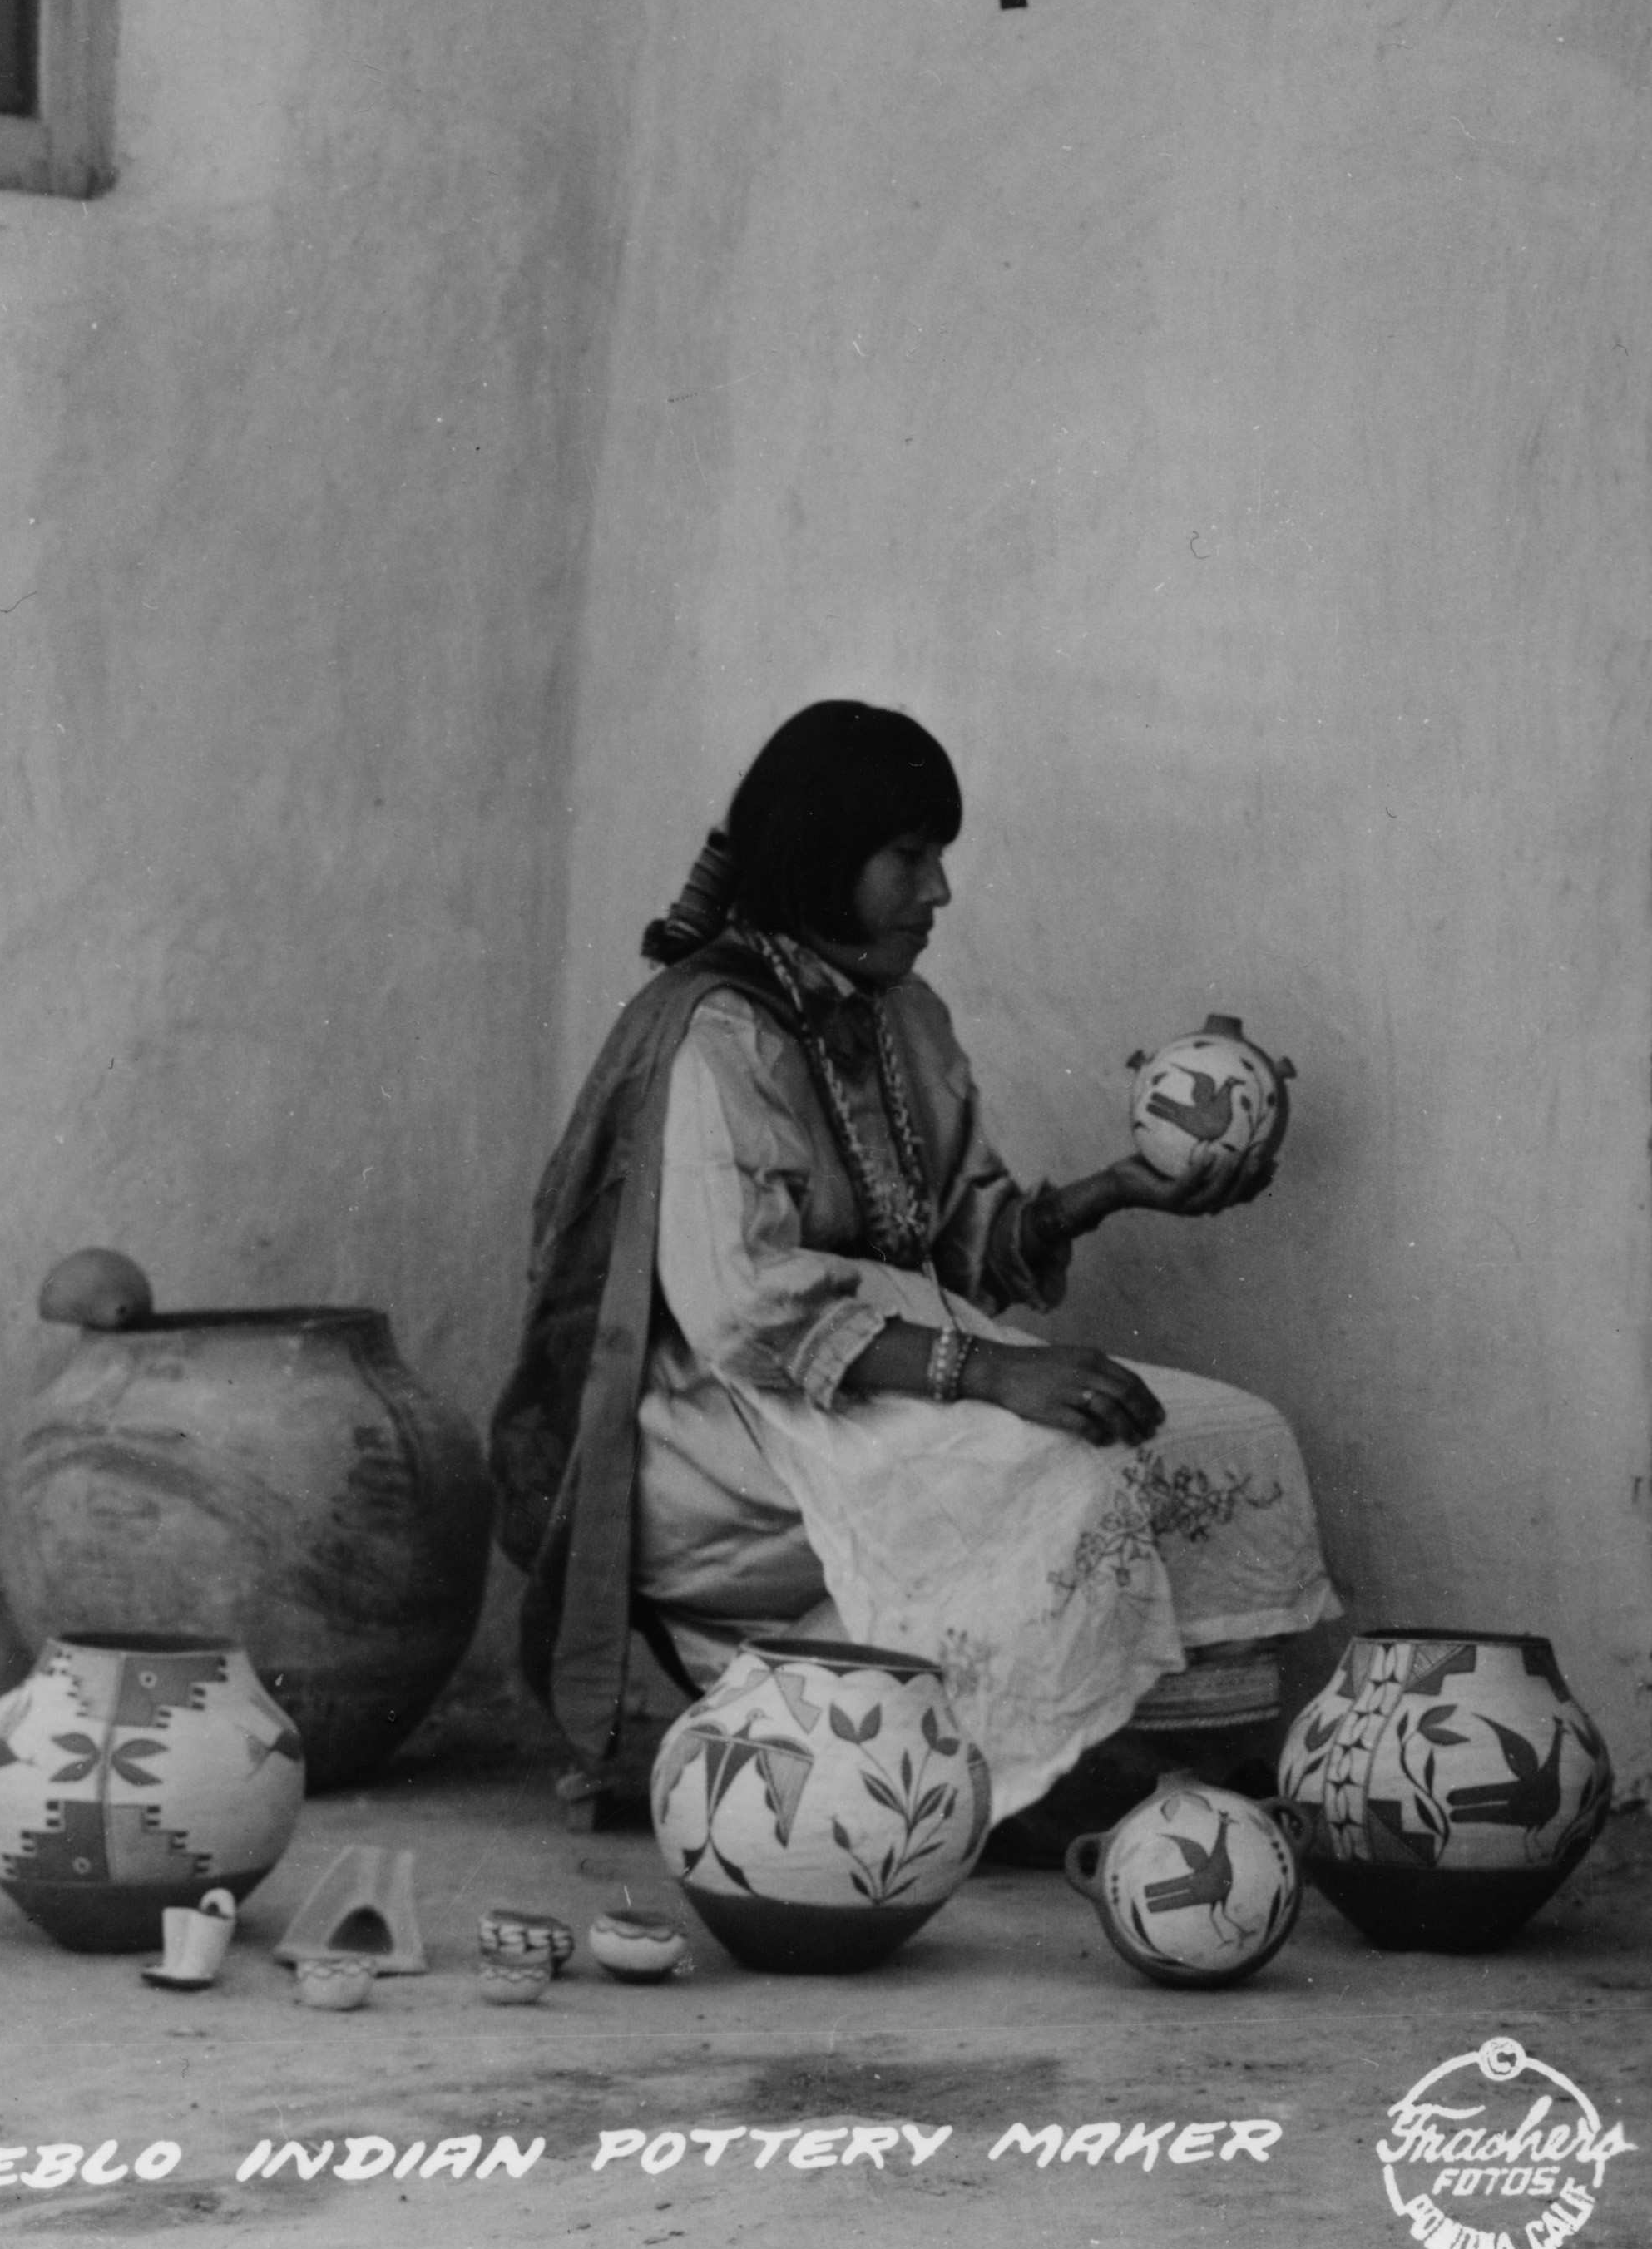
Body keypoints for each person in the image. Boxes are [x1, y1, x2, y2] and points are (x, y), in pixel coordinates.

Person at [489, 699, 1338, 1831]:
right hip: (729, 1426)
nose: (937, 893)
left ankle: (1100, 1759)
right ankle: (1008, 1782)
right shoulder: (717, 1035)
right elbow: (742, 1311)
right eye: (909, 858)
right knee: (1069, 1471)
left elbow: (954, 1246)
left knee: (1232, 1432)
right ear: (820, 858)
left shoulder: (905, 1021)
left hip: (887, 1377)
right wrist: (988, 1377)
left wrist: (1112, 1190)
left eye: (939, 858)